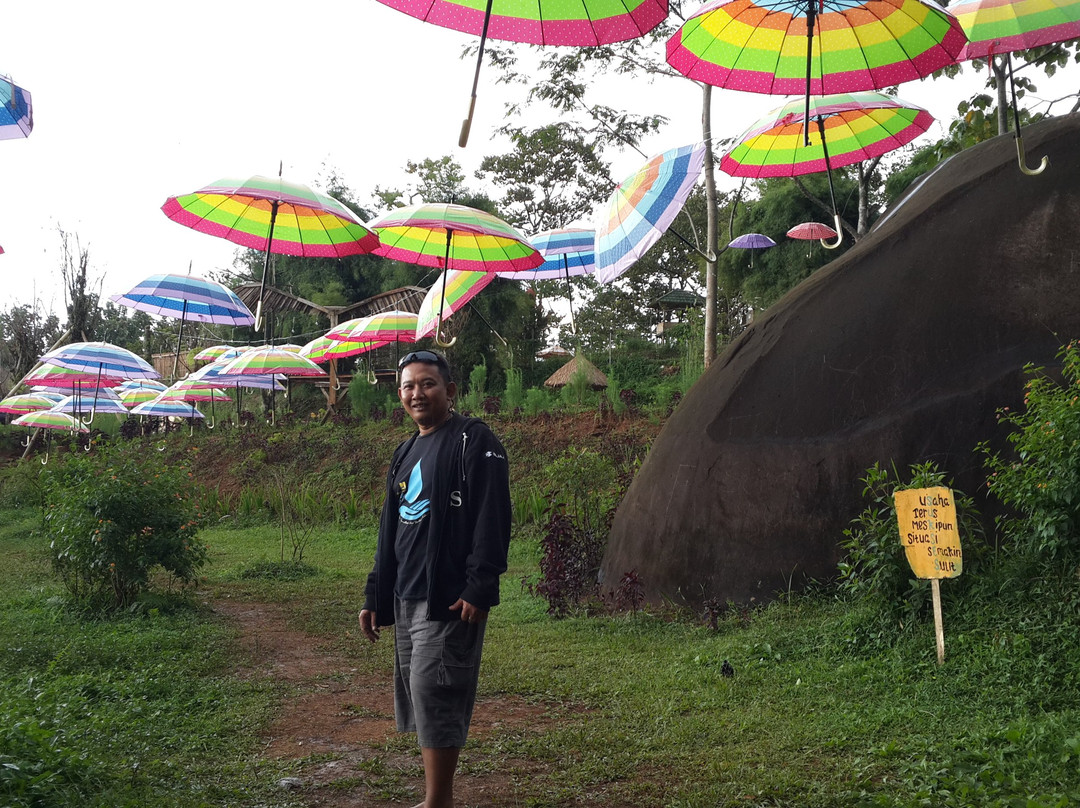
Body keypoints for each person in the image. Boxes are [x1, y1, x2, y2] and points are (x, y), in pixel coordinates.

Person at [358, 349, 511, 808]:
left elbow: (493, 518)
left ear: (450, 390)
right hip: (407, 593)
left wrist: (480, 584)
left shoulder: (474, 441)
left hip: (447, 594)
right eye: (407, 386)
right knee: (419, 691)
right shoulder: (405, 450)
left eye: (427, 383)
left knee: (437, 688)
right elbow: (391, 529)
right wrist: (375, 593)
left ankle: (437, 800)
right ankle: (435, 797)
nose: (416, 393)